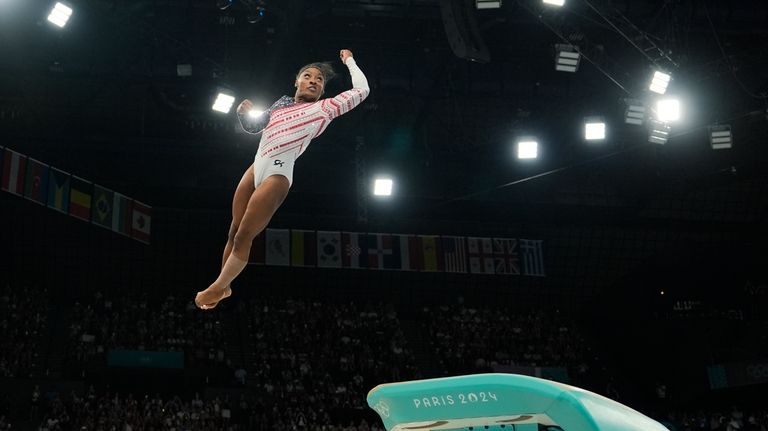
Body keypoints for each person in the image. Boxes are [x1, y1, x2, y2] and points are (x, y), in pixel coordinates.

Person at [195, 49, 369, 309]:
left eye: (319, 79)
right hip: (256, 167)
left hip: (278, 172)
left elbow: (362, 91)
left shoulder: (325, 109)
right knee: (232, 230)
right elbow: (255, 127)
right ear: (296, 81)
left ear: (322, 90)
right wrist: (244, 114)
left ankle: (218, 287)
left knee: (244, 235)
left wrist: (350, 61)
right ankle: (225, 286)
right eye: (307, 76)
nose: (313, 80)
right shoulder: (280, 104)